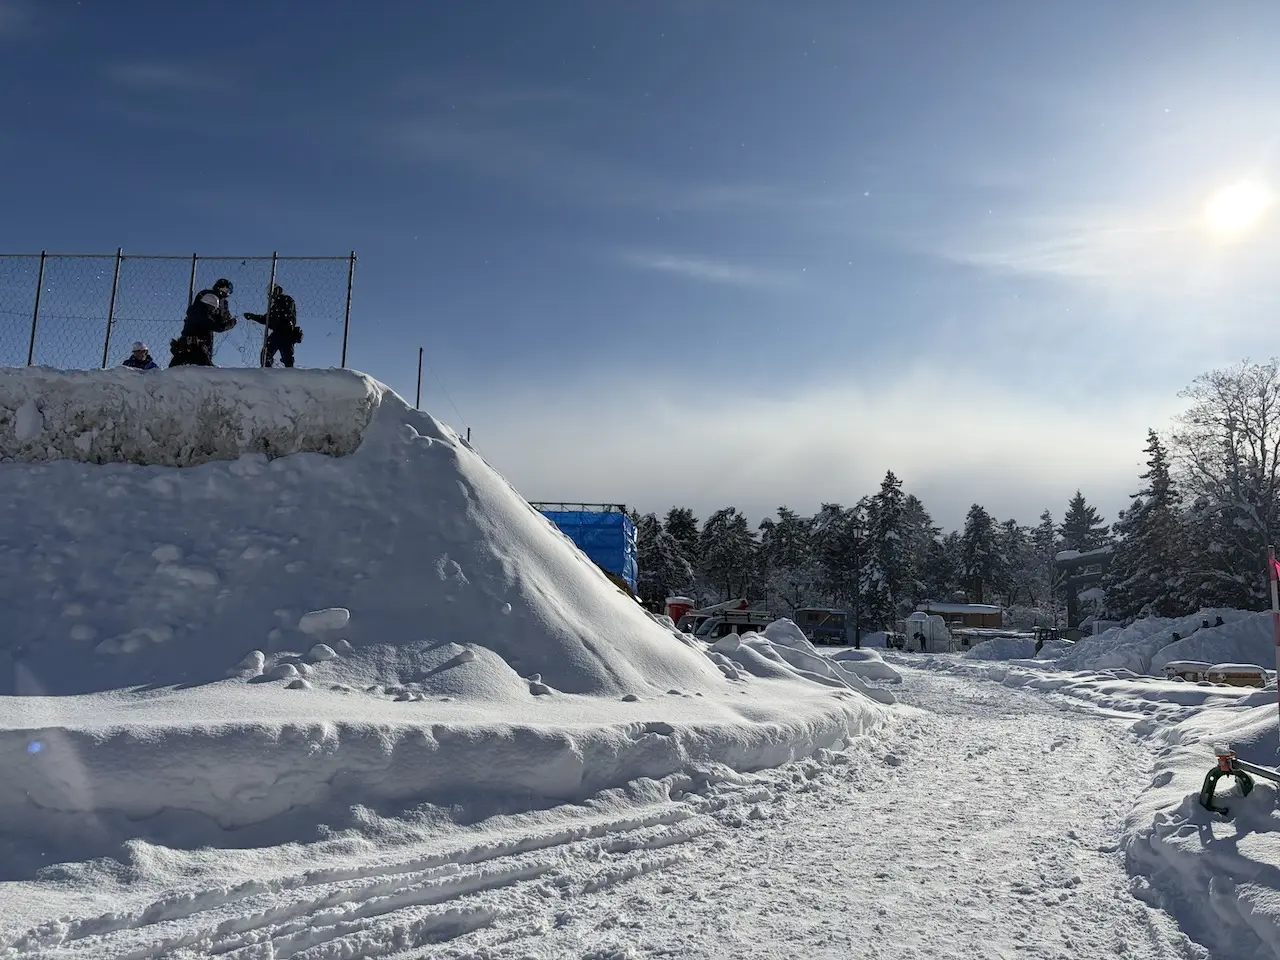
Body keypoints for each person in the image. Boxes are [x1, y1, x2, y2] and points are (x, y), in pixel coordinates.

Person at [171, 279, 237, 367]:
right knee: (204, 367)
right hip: (195, 340)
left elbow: (223, 318)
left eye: (228, 291)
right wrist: (231, 322)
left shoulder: (223, 303)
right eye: (224, 289)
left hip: (199, 338)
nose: (224, 292)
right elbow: (219, 326)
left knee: (184, 364)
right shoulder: (205, 299)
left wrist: (224, 320)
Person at [245, 284, 303, 368]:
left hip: (285, 333)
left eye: (271, 293)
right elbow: (267, 319)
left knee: (280, 357)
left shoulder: (285, 301)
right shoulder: (276, 305)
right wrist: (253, 316)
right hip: (280, 333)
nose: (270, 295)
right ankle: (270, 372)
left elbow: (273, 319)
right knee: (271, 355)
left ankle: (273, 372)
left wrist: (254, 317)